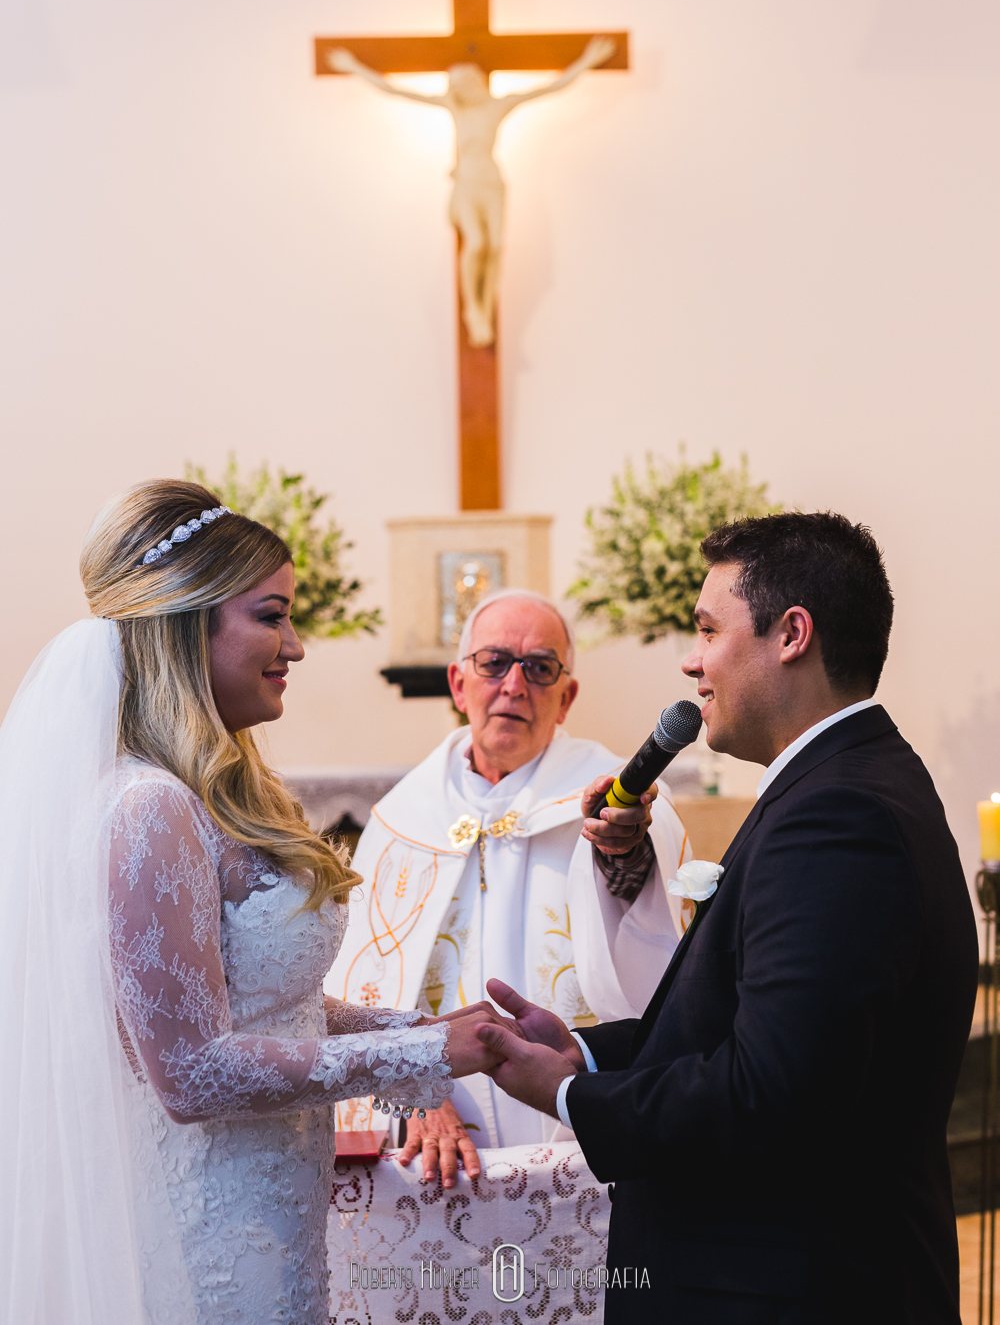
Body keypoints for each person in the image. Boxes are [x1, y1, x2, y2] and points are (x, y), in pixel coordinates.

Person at [0, 479, 505, 1325]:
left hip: (270, 1213)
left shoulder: (217, 791)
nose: (297, 646)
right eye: (271, 616)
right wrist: (419, 1060)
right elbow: (192, 1074)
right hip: (206, 1233)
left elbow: (274, 1008)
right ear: (189, 622)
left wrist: (432, 1030)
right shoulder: (146, 809)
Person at [474, 513, 979, 1324]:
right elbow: (740, 1029)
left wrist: (572, 1096)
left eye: (708, 629)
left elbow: (769, 1091)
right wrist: (587, 1052)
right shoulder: (838, 785)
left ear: (791, 634)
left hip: (794, 1292)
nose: (691, 659)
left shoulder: (838, 815)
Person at [327, 587, 691, 1186]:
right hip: (435, 1144)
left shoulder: (613, 798)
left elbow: (653, 937)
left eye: (540, 668)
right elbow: (358, 989)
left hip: (577, 1136)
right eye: (493, 662)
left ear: (566, 696)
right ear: (457, 682)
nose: (514, 686)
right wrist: (409, 1088)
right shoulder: (401, 820)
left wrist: (623, 851)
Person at [328, 37, 616, 346]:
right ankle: (473, 311)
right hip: (466, 182)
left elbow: (549, 88)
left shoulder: (498, 106)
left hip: (492, 182)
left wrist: (585, 62)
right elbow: (397, 90)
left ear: (475, 82)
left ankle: (486, 308)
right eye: (455, 87)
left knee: (496, 246)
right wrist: (354, 67)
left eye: (462, 84)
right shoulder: (456, 108)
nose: (459, 91)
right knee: (476, 243)